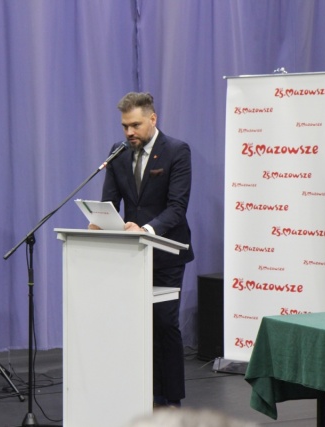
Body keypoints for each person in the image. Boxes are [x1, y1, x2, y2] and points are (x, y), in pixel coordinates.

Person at [91, 92, 194, 407]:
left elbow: (177, 207)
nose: (129, 132)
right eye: (125, 126)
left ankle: (170, 399)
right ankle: (138, 392)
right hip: (130, 254)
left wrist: (146, 229)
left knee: (164, 322)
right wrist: (99, 221)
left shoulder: (176, 151)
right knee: (133, 324)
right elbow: (110, 202)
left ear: (152, 118)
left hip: (166, 251)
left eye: (135, 125)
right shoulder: (118, 152)